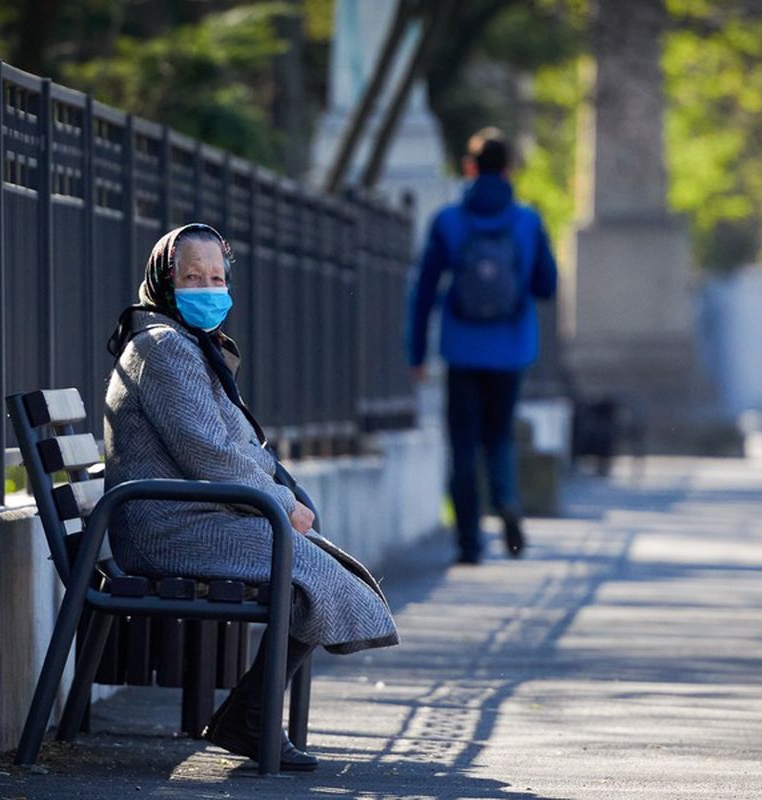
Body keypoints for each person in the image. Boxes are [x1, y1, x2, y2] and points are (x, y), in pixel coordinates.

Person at [105, 223, 399, 771]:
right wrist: (281, 504)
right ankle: (250, 717)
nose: (208, 288)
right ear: (165, 281)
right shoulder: (163, 347)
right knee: (308, 573)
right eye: (192, 277)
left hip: (188, 516)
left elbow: (240, 443)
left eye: (217, 276)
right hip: (164, 527)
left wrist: (283, 487)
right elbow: (210, 454)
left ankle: (249, 713)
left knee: (312, 565)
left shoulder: (190, 345)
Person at [406, 128, 558, 565]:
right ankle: (507, 502)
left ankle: (469, 542)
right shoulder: (528, 221)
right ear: (509, 169)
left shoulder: (449, 221)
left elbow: (424, 289)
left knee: (464, 444)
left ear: (470, 168)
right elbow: (546, 285)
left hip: (462, 347)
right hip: (511, 348)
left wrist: (416, 352)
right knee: (499, 436)